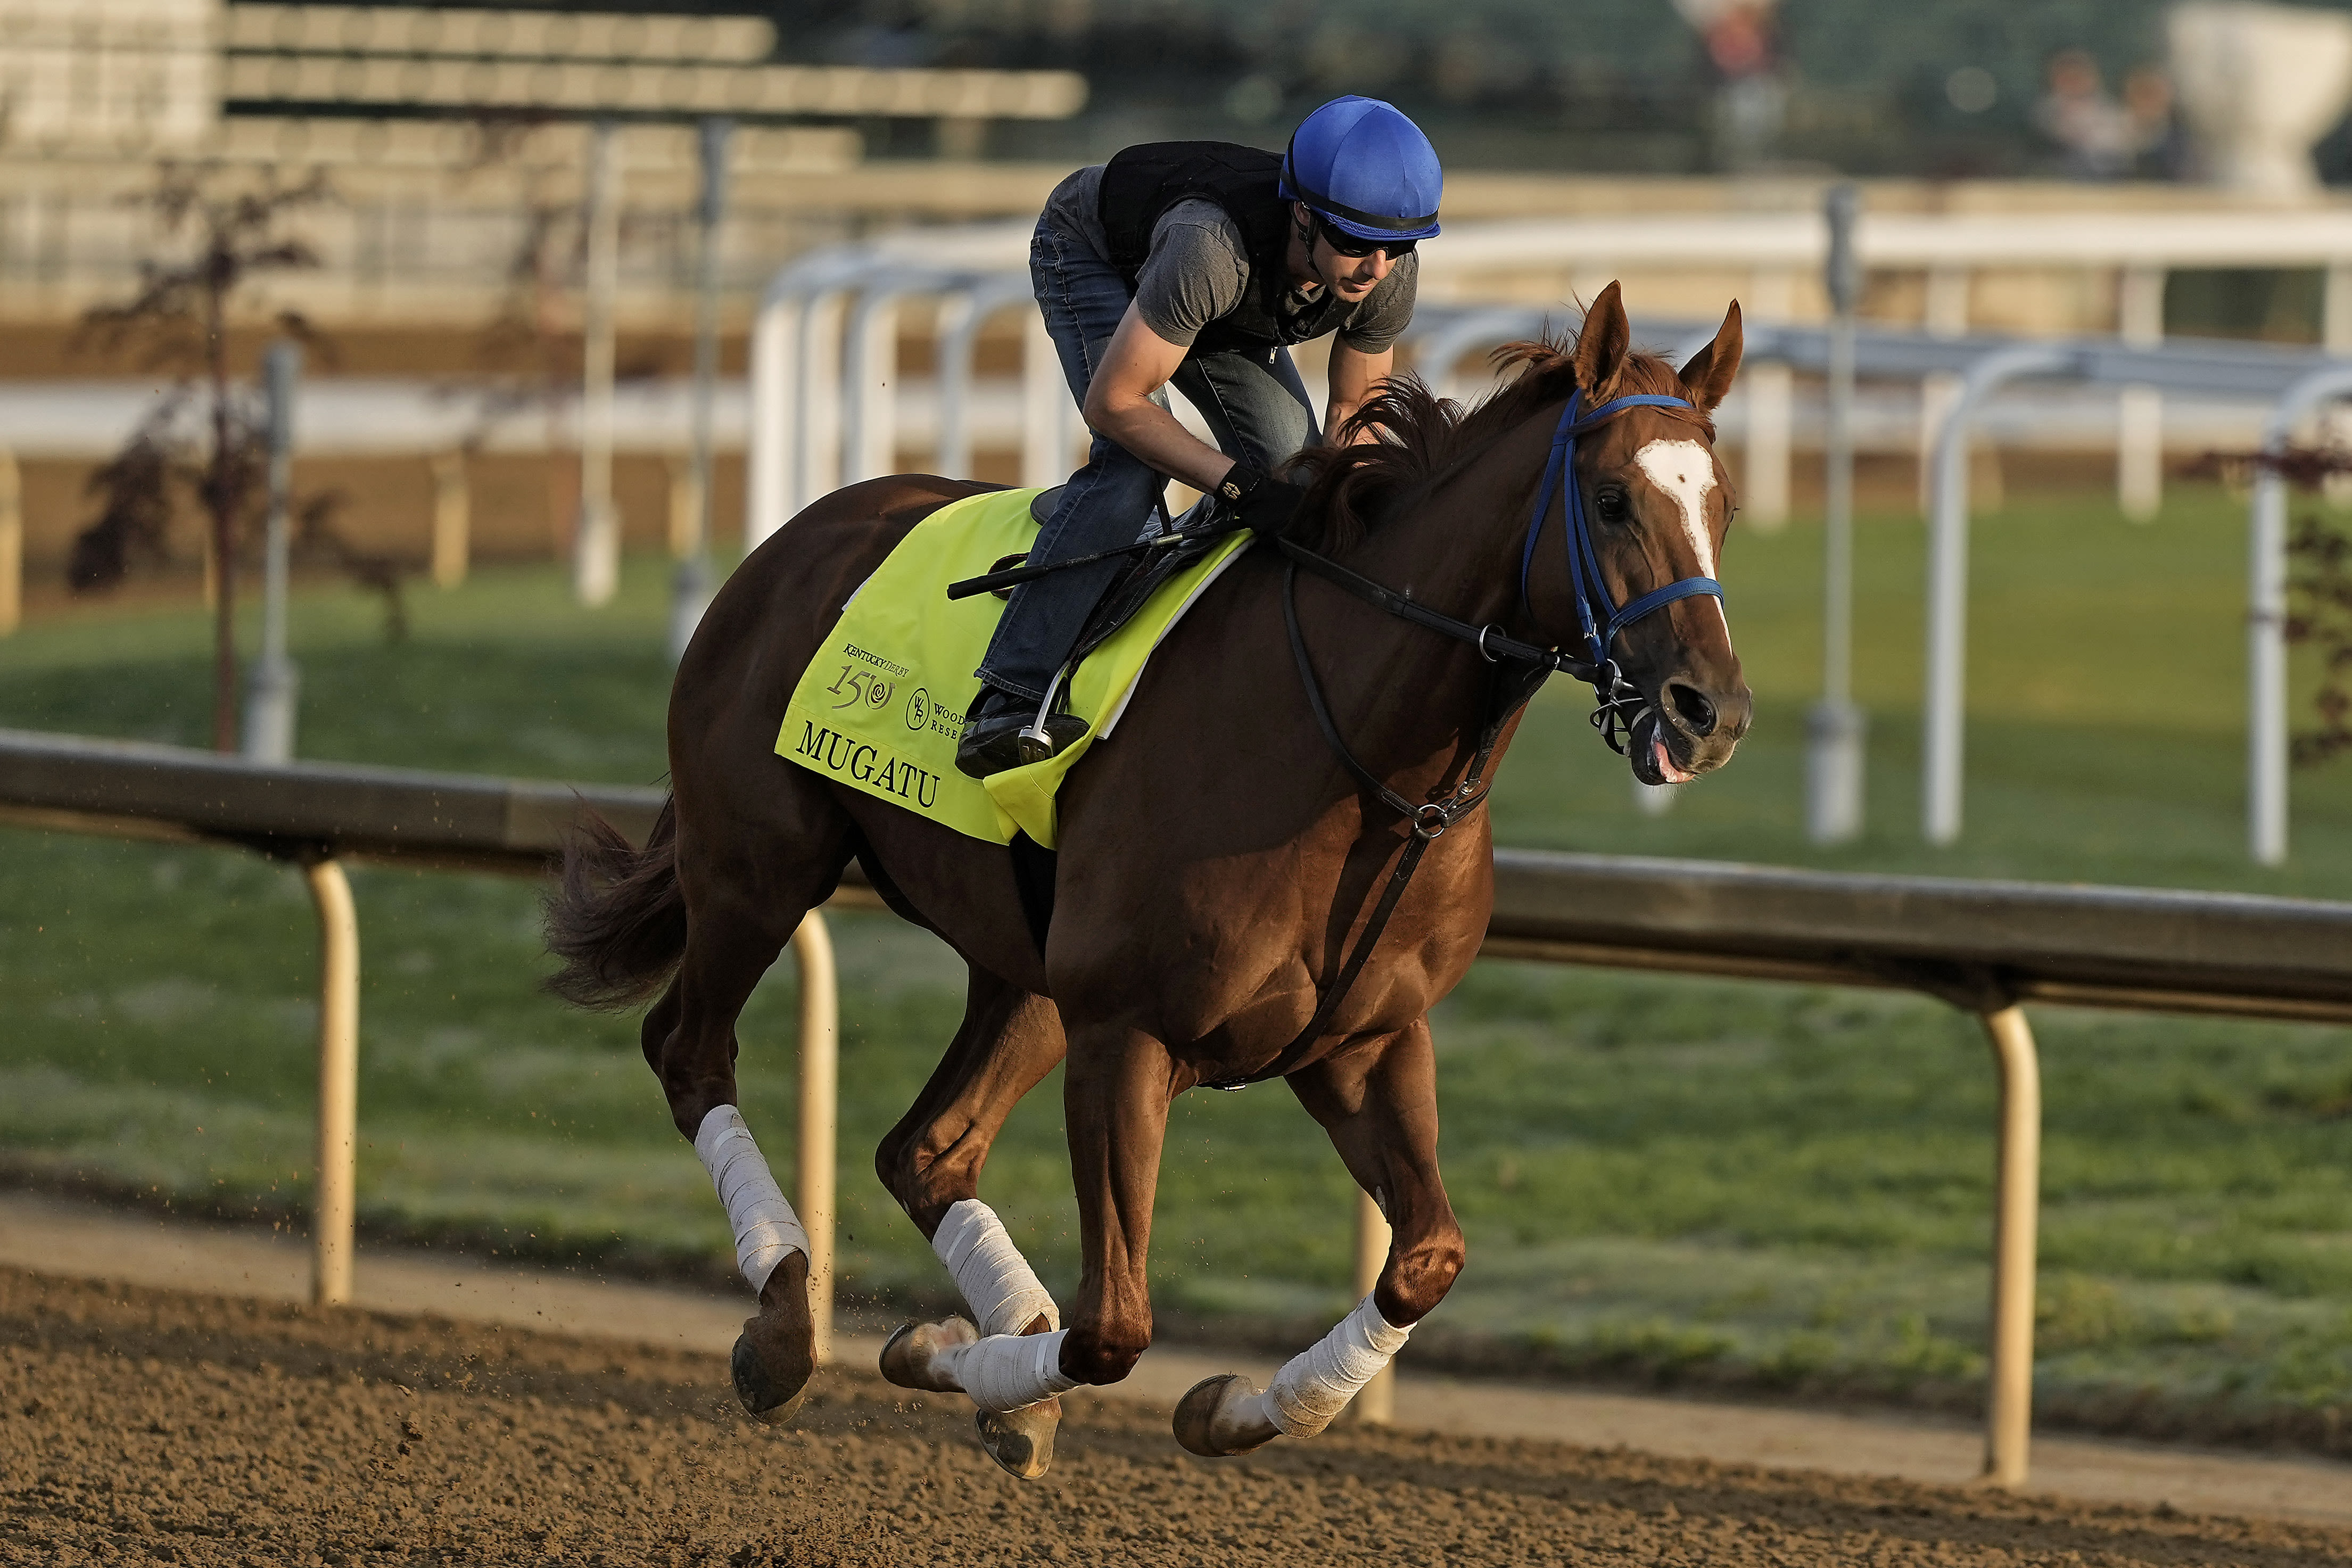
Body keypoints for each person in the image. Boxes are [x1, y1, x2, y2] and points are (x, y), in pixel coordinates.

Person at [955, 95, 1443, 779]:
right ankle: (1008, 697)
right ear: (1302, 214)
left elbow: (1353, 416)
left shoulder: (1385, 273)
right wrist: (1236, 484)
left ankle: (1163, 589)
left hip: (1213, 308)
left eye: (1400, 247)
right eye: (1358, 244)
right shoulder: (1209, 249)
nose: (1378, 268)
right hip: (1097, 253)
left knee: (1299, 475)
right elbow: (1116, 403)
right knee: (1133, 465)